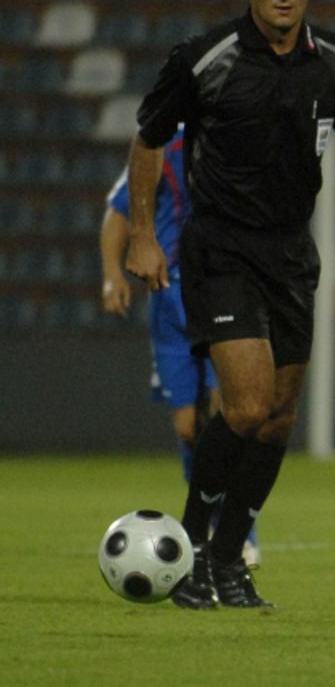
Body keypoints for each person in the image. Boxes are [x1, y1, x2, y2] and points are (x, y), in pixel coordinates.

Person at [125, 0, 335, 609]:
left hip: (290, 252)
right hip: (220, 247)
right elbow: (149, 138)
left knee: (277, 417)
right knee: (243, 405)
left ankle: (227, 560)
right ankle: (188, 549)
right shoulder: (205, 57)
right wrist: (142, 234)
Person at [101, 127, 261, 567]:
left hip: (221, 291)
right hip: (170, 299)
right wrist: (112, 273)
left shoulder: (238, 142)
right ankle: (206, 525)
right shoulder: (160, 148)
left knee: (228, 415)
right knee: (190, 428)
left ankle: (237, 535)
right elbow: (119, 214)